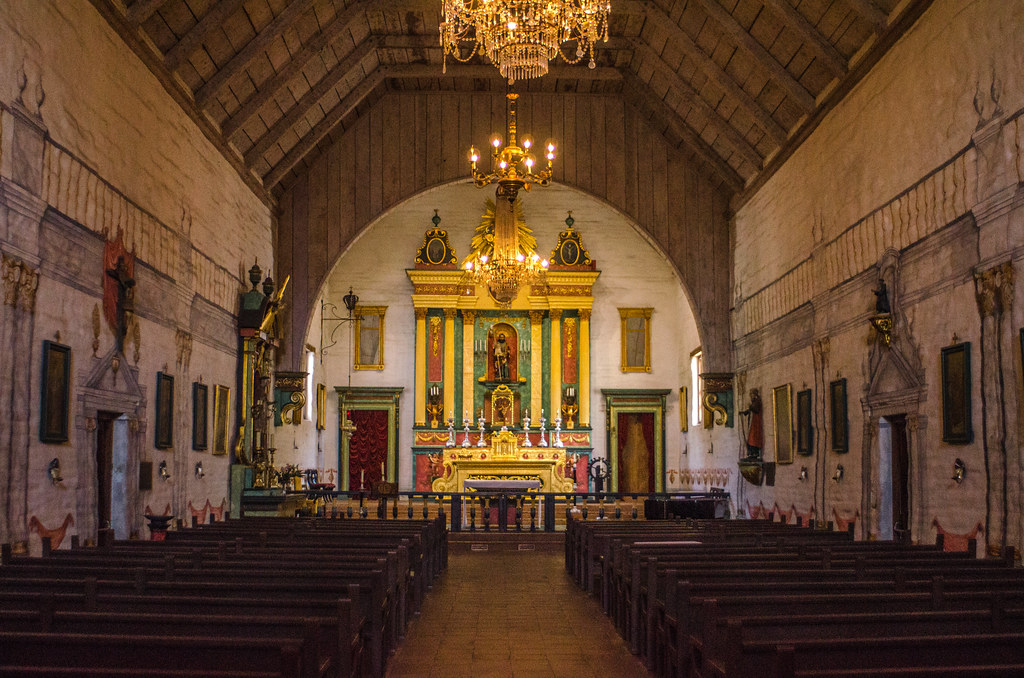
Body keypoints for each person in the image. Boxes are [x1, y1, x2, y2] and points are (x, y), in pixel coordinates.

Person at [740, 389, 763, 459]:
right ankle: (751, 453)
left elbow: (755, 409)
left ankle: (754, 453)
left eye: (752, 394)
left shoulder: (757, 401)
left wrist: (750, 407)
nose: (751, 396)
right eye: (750, 394)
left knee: (753, 438)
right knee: (750, 437)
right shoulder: (754, 402)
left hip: (755, 423)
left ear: (755, 394)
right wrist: (744, 412)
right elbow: (750, 410)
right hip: (752, 423)